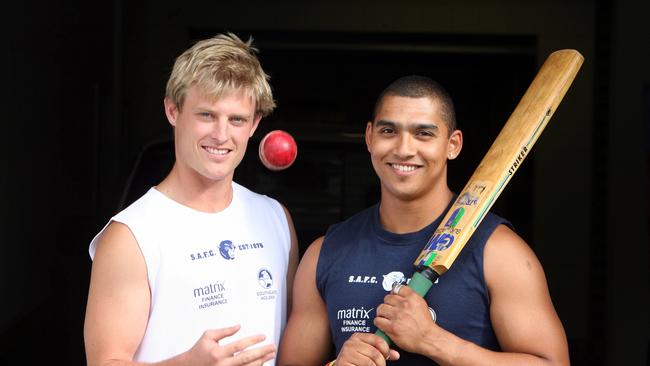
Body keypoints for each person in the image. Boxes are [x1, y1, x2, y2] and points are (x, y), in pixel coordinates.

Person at [278, 75, 569, 365]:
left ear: (452, 144)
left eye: (424, 134)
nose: (404, 149)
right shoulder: (326, 253)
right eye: (389, 131)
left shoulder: (499, 252)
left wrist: (433, 341)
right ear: (369, 138)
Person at [84, 33, 299, 366]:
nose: (221, 135)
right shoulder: (131, 236)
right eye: (206, 115)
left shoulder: (275, 218)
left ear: (255, 123)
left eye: (237, 119)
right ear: (173, 110)